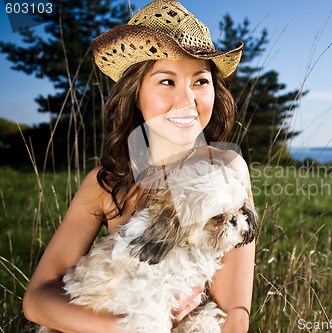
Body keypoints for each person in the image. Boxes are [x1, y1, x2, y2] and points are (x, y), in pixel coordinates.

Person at [22, 1, 255, 332]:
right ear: (135, 93)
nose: (187, 99)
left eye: (200, 81)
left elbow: (234, 316)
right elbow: (37, 299)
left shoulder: (226, 167)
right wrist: (133, 326)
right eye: (166, 81)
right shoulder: (104, 184)